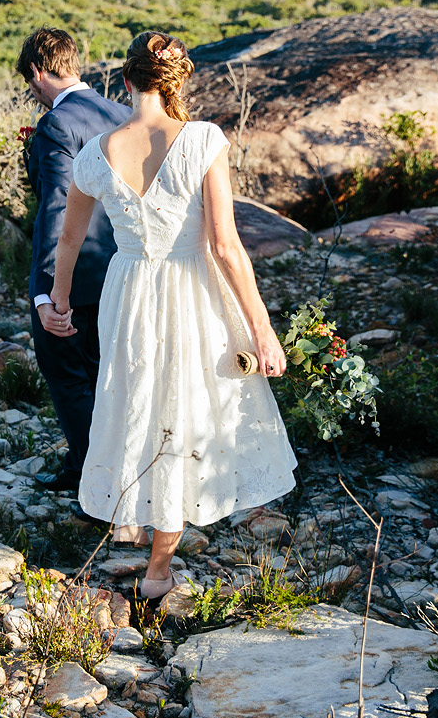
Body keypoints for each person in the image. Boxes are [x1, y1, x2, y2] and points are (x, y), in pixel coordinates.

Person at [44, 31, 297, 600]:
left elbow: (69, 239)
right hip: (192, 288)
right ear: (174, 81)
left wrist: (58, 304)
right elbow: (227, 247)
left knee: (134, 396)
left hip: (127, 288)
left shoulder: (94, 153)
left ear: (126, 83)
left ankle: (133, 515)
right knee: (184, 406)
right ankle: (159, 566)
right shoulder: (204, 139)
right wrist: (263, 331)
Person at [18, 28, 133, 500]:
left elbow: (59, 208)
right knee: (111, 376)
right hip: (127, 266)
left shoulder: (57, 125)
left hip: (78, 272)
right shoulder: (125, 114)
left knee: (69, 376)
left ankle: (98, 486)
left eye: (28, 81)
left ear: (37, 72)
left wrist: (48, 291)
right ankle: (89, 466)